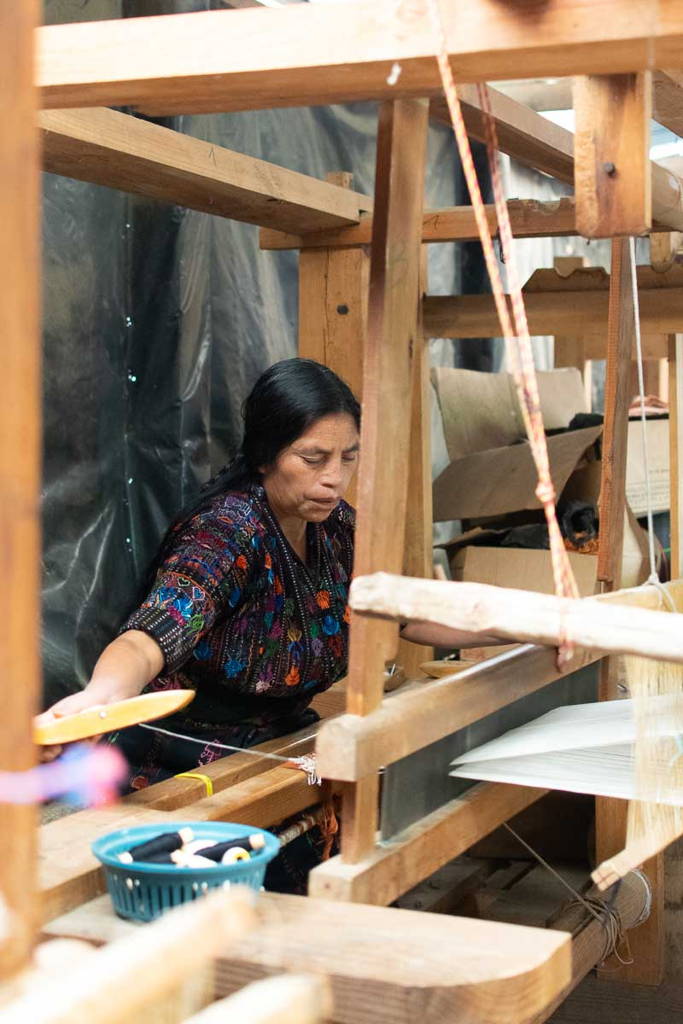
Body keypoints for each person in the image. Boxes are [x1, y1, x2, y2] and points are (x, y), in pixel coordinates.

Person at [37, 356, 500, 889]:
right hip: (183, 762)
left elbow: (407, 614)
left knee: (353, 866)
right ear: (264, 456)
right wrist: (101, 695)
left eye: (348, 457)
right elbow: (151, 635)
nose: (334, 478)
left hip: (277, 742)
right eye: (313, 458)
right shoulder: (226, 533)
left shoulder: (337, 528)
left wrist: (537, 625)